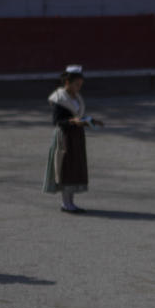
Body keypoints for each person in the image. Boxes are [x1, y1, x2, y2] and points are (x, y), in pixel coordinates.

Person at [43, 65, 102, 213]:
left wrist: (90, 121)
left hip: (76, 137)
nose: (79, 87)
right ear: (67, 82)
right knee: (65, 167)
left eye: (80, 85)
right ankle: (65, 203)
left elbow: (79, 116)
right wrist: (73, 122)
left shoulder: (76, 98)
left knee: (75, 167)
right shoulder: (60, 98)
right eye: (77, 84)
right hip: (64, 136)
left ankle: (71, 202)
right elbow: (57, 121)